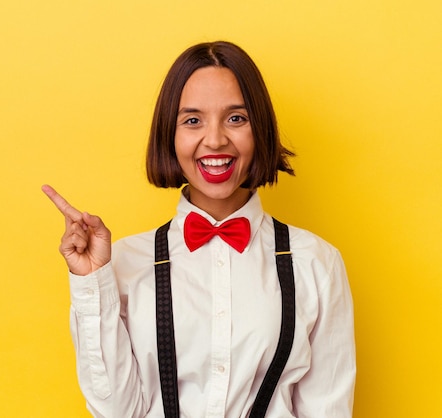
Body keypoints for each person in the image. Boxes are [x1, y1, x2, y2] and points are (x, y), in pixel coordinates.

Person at [42, 41, 355, 418]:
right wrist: (92, 282)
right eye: (192, 120)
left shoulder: (316, 263)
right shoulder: (124, 263)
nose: (216, 139)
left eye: (236, 118)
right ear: (169, 136)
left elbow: (328, 408)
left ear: (260, 130)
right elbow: (116, 411)